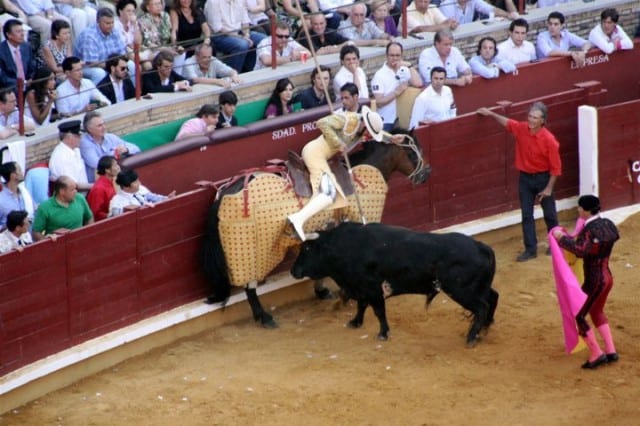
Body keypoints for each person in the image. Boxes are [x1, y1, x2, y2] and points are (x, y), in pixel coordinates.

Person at [287, 106, 404, 241]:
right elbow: (322, 122)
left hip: (323, 156)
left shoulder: (362, 127)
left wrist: (392, 138)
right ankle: (297, 219)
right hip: (315, 153)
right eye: (369, 131)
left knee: (329, 193)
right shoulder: (348, 118)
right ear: (365, 124)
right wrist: (338, 143)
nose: (369, 135)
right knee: (328, 194)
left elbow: (378, 133)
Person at [477, 102, 561, 262]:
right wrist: (492, 114)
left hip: (544, 179)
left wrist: (549, 188)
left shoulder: (549, 140)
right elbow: (508, 123)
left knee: (550, 214)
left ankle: (555, 243)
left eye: (535, 117)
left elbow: (556, 168)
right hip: (525, 179)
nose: (531, 120)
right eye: (530, 116)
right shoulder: (522, 128)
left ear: (543, 121)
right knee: (526, 214)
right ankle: (531, 249)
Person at [552, 195, 620, 369]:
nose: (578, 210)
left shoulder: (589, 230)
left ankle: (597, 353)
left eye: (580, 208)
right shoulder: (608, 224)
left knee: (578, 315)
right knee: (597, 311)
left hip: (595, 281)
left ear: (587, 210)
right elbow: (606, 240)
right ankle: (611, 350)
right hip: (608, 278)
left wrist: (561, 238)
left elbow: (580, 250)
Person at [371, 41, 422, 131]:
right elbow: (379, 102)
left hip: (403, 120)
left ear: (401, 56)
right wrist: (397, 92)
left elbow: (418, 83)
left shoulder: (405, 69)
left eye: (397, 55)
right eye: (392, 55)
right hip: (386, 121)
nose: (395, 58)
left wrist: (409, 66)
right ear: (386, 56)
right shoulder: (379, 75)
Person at [205, 0, 266, 73]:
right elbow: (218, 28)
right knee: (242, 44)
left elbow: (245, 22)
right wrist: (241, 37)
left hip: (239, 32)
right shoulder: (213, 2)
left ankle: (254, 70)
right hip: (220, 36)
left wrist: (246, 35)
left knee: (263, 39)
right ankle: (233, 74)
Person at [74, 7, 129, 85]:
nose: (111, 26)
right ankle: (99, 97)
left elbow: (122, 54)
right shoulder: (89, 36)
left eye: (112, 22)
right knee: (99, 73)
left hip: (112, 64)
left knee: (131, 65)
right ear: (98, 22)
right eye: (107, 23)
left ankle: (130, 94)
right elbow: (92, 63)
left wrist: (118, 65)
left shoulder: (114, 31)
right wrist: (114, 67)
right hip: (88, 67)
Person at [80, 110, 140, 181]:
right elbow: (96, 164)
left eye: (103, 124)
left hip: (116, 179)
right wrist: (115, 154)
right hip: (97, 183)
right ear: (90, 129)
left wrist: (126, 150)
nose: (104, 127)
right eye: (99, 125)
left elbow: (136, 148)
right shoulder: (84, 143)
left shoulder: (110, 137)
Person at [32, 175, 94, 241]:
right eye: (72, 189)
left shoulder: (80, 198)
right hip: (58, 247)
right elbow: (36, 232)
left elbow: (89, 217)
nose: (76, 191)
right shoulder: (45, 207)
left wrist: (87, 235)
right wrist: (47, 243)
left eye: (75, 189)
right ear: (62, 191)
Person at [109, 168, 174, 216]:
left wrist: (167, 198)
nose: (139, 183)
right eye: (135, 182)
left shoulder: (141, 189)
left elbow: (154, 197)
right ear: (126, 187)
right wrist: (139, 209)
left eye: (138, 180)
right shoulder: (117, 201)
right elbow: (115, 216)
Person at [49, 120, 92, 192]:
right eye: (78, 136)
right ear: (70, 137)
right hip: (73, 197)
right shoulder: (62, 157)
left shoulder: (75, 149)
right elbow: (72, 185)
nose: (81, 138)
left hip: (84, 193)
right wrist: (95, 186)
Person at [170, 0, 211, 71]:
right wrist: (175, 45)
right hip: (183, 45)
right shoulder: (174, 11)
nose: (186, 1)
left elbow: (206, 28)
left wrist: (207, 40)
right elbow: (174, 30)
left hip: (196, 44)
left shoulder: (197, 10)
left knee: (210, 47)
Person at [137, 0, 176, 69]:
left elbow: (170, 34)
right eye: (155, 4)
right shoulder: (143, 20)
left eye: (159, 3)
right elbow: (148, 43)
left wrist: (174, 46)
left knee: (180, 54)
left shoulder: (165, 16)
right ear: (148, 7)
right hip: (152, 50)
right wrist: (165, 49)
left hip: (167, 48)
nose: (158, 6)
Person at [0, 18, 36, 89]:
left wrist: (30, 78)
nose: (22, 34)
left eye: (22, 31)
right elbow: (2, 76)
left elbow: (32, 66)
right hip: (9, 88)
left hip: (28, 85)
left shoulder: (26, 46)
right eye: (18, 31)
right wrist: (20, 84)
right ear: (8, 34)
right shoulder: (1, 51)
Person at [0, 161, 35, 227]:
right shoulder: (1, 200)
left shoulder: (24, 192)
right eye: (19, 170)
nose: (22, 172)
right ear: (12, 175)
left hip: (27, 235)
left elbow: (33, 210)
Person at [86, 155, 120, 220]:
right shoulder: (99, 188)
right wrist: (111, 216)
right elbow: (95, 213)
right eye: (115, 165)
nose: (118, 167)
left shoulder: (112, 182)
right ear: (107, 170)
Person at [439, 0, 518, 25]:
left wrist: (508, 15)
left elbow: (492, 10)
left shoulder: (473, 0)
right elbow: (450, 26)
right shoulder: (446, 5)